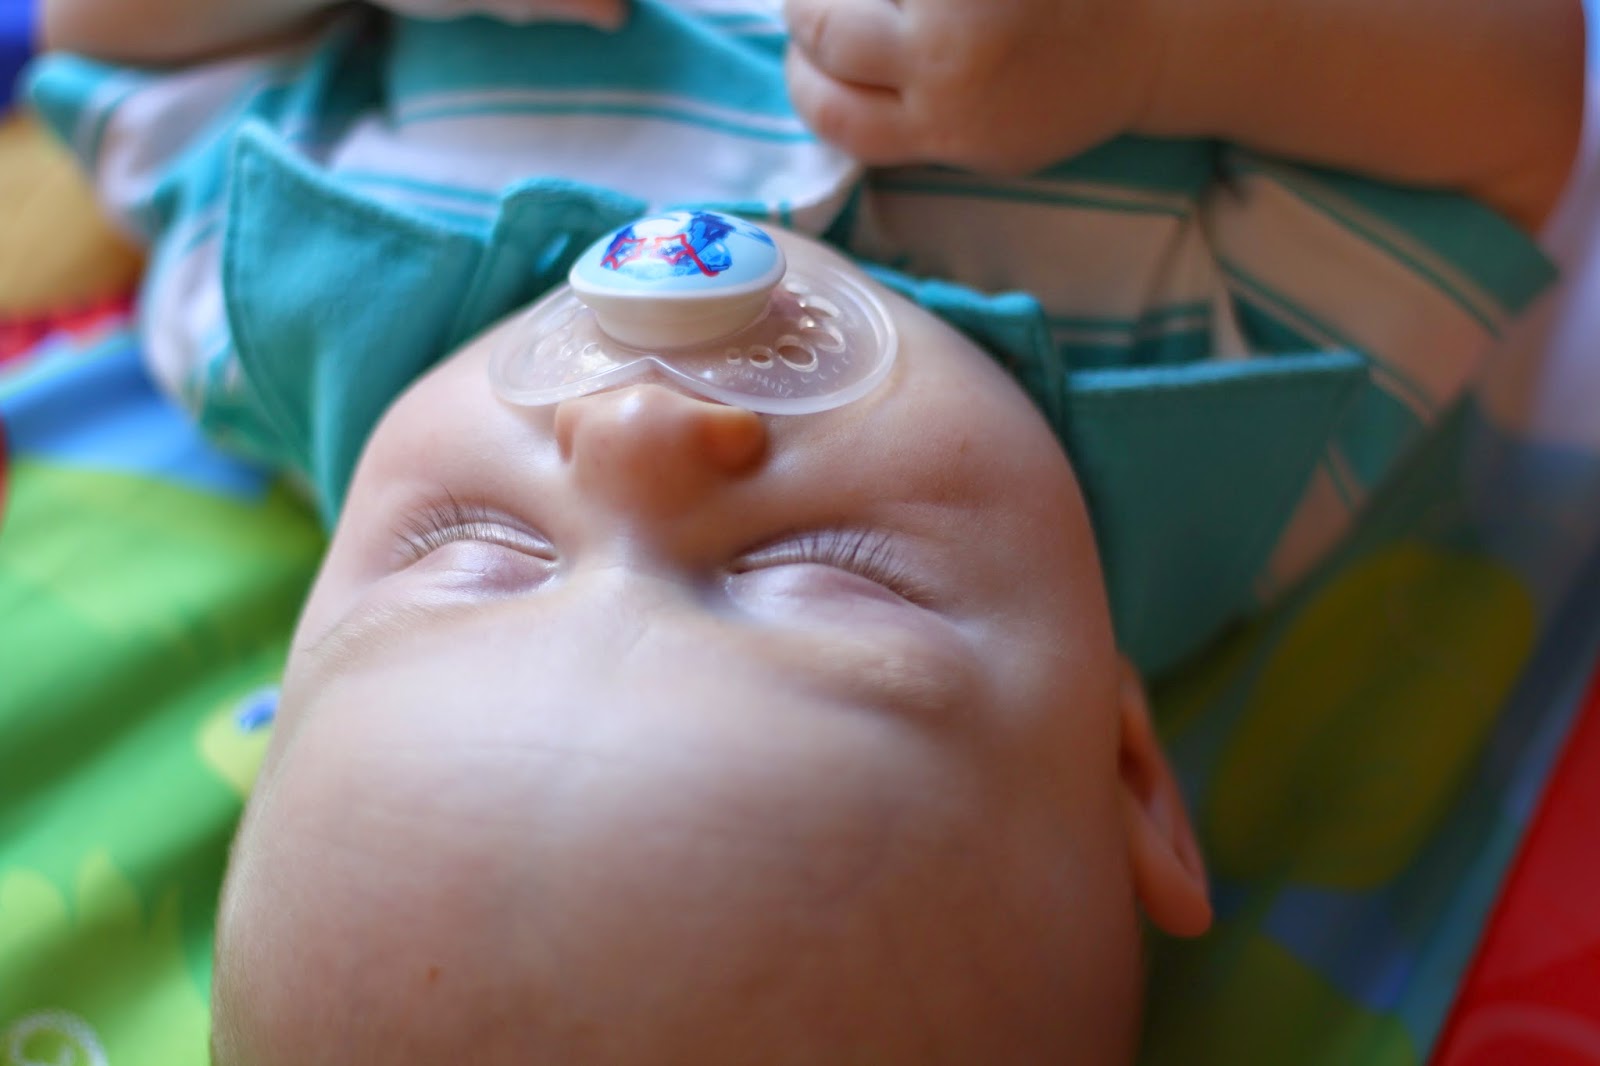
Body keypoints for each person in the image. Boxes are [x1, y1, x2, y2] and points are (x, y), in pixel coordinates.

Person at [29, 0, 1582, 1062]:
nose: (636, 435)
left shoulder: (296, 310)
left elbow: (120, 47)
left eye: (480, 549)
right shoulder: (1221, 426)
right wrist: (1158, 45)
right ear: (1119, 761)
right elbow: (1509, 100)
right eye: (826, 572)